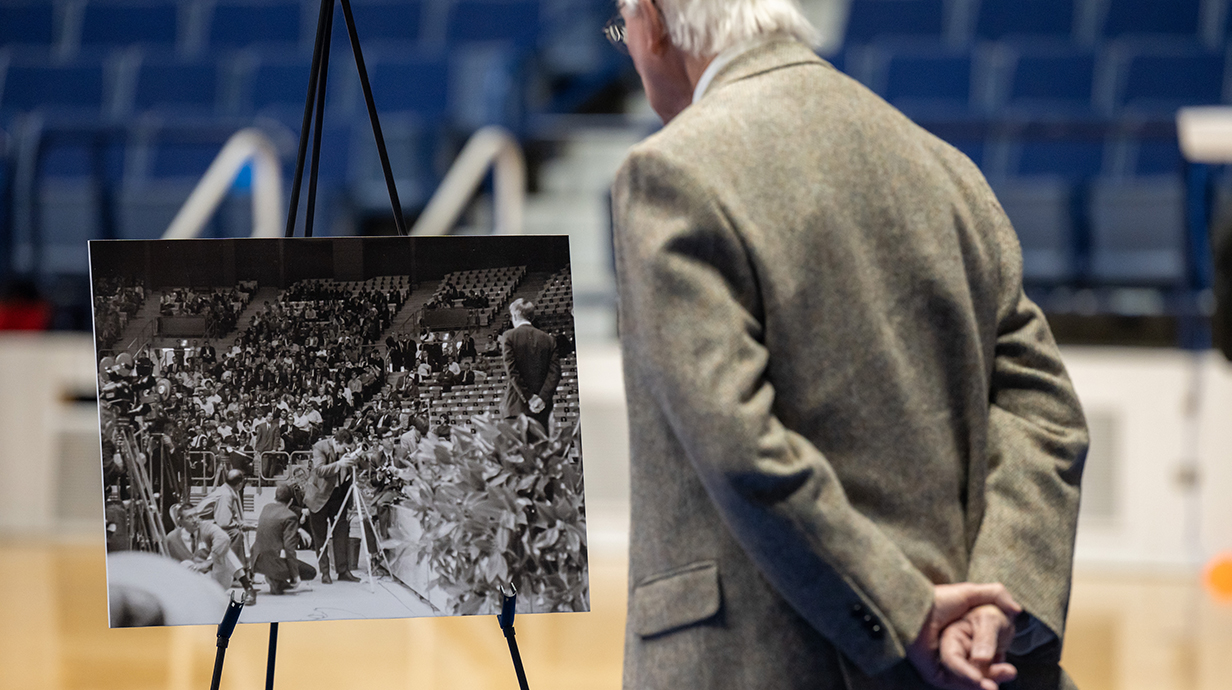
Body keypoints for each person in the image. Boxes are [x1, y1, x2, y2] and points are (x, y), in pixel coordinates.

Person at [608, 1, 1089, 690]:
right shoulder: (946, 167)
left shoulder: (670, 173)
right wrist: (996, 602)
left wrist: (908, 613)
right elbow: (1046, 412)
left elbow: (737, 441)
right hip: (972, 672)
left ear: (651, 21)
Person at [305, 427, 362, 584]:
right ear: (336, 442)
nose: (346, 452)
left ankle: (343, 570)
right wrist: (339, 463)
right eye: (344, 448)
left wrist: (356, 459)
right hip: (319, 497)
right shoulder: (320, 447)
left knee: (342, 533)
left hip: (338, 495)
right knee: (320, 536)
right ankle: (324, 572)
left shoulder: (344, 449)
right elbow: (319, 470)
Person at [500, 298, 561, 433]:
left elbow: (512, 371)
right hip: (542, 409)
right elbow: (555, 373)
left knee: (515, 453)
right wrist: (542, 398)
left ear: (515, 315)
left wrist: (529, 397)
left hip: (516, 408)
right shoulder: (549, 339)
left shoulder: (509, 336)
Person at [252, 483, 316, 594]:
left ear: (275, 497)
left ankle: (275, 579)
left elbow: (275, 527)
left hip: (256, 561)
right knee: (311, 572)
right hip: (273, 563)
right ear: (291, 501)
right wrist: (295, 576)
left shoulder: (266, 508)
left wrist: (299, 530)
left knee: (274, 557)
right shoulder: (290, 516)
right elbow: (289, 548)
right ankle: (277, 579)